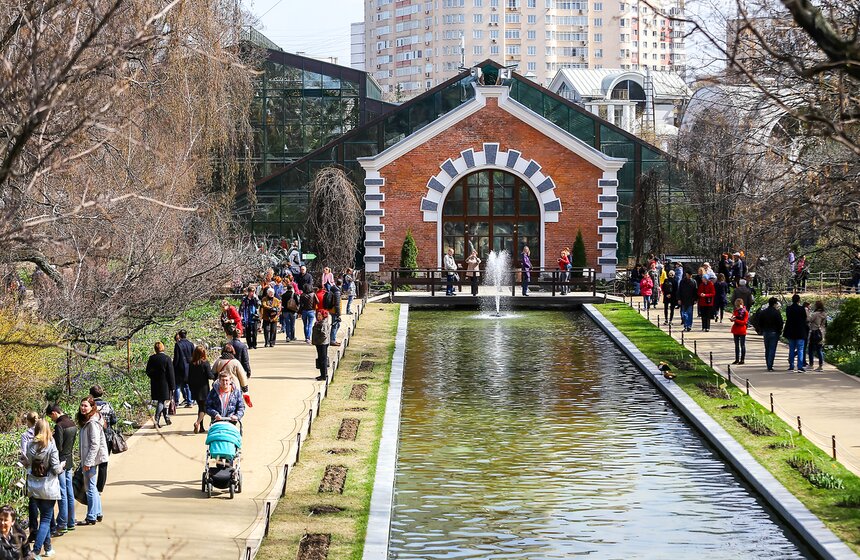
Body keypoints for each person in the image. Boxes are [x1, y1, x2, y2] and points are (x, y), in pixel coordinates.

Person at [22, 419, 63, 559]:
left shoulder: (30, 445)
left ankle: (48, 548)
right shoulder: (51, 446)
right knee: (46, 519)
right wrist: (62, 466)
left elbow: (28, 463)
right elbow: (56, 468)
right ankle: (35, 551)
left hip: (34, 486)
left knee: (46, 516)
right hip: (48, 486)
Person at [45, 404, 76, 536]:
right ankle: (71, 521)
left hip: (61, 462)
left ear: (54, 413)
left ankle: (62, 523)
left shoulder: (59, 426)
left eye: (50, 416)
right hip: (69, 460)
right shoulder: (72, 422)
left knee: (62, 492)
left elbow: (58, 447)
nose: (51, 419)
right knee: (69, 491)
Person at [77, 396, 108, 526]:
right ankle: (98, 512)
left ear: (92, 407)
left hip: (92, 460)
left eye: (86, 406)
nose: (83, 408)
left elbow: (95, 444)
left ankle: (91, 516)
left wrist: (88, 462)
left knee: (89, 488)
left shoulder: (92, 423)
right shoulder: (90, 420)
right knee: (92, 487)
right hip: (92, 459)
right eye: (82, 405)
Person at [89, 385, 116, 494]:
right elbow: (114, 420)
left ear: (91, 394)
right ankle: (100, 488)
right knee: (103, 463)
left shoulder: (90, 405)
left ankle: (90, 485)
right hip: (107, 436)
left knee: (92, 461)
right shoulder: (108, 405)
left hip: (92, 436)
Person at [19, 412, 39, 543]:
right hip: (44, 471)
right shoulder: (44, 433)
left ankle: (33, 530)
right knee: (45, 501)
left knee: (32, 501)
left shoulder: (25, 436)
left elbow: (24, 454)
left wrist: (25, 464)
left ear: (27, 421)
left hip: (31, 470)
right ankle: (50, 527)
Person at [145, 341, 175, 428]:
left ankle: (166, 418)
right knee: (162, 401)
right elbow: (171, 373)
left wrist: (153, 377)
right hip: (165, 383)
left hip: (155, 382)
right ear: (162, 348)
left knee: (162, 400)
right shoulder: (167, 358)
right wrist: (172, 385)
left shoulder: (152, 358)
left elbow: (148, 371)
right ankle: (156, 420)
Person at [188, 345, 215, 434]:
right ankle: (197, 423)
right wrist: (216, 375)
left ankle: (201, 427)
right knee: (204, 408)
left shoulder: (191, 363)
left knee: (200, 407)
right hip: (203, 388)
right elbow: (210, 376)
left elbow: (189, 377)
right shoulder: (205, 363)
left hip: (195, 388)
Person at [758, 297, 784, 371]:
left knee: (767, 348)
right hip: (774, 332)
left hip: (766, 331)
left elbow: (760, 322)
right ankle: (770, 365)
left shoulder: (764, 312)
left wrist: (761, 329)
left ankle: (768, 364)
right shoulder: (776, 312)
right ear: (774, 304)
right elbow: (780, 323)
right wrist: (780, 330)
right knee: (772, 349)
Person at [783, 293, 807, 372]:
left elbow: (788, 317)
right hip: (800, 331)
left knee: (791, 349)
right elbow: (804, 318)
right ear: (799, 300)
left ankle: (791, 365)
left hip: (791, 330)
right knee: (800, 349)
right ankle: (800, 366)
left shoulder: (788, 308)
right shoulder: (801, 309)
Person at [172, 330, 194, 407]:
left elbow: (176, 358)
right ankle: (189, 402)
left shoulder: (178, 345)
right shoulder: (191, 344)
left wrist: (173, 367)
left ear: (180, 336)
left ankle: (176, 402)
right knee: (188, 386)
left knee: (177, 385)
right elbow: (193, 356)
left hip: (180, 367)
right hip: (189, 367)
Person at [312, 309, 331, 382]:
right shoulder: (318, 323)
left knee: (323, 359)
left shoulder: (323, 324)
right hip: (319, 343)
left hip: (322, 344)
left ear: (323, 316)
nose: (318, 316)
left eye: (320, 315)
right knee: (320, 358)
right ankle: (322, 374)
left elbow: (324, 335)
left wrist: (318, 340)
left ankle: (324, 375)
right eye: (317, 315)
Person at [808, 301, 827, 371]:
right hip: (821, 332)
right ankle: (820, 365)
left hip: (814, 331)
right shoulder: (824, 314)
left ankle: (811, 364)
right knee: (819, 349)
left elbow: (809, 320)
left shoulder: (815, 314)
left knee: (811, 349)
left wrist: (807, 313)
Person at [729, 298, 750, 364]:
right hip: (736, 329)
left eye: (738, 306)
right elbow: (733, 316)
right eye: (736, 306)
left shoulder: (745, 312)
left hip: (742, 329)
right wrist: (732, 319)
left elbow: (744, 322)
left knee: (742, 345)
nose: (737, 307)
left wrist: (736, 320)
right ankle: (737, 359)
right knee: (736, 345)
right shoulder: (736, 311)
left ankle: (742, 359)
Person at [329, 280, 343, 347]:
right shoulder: (337, 292)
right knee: (335, 325)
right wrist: (338, 313)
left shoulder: (333, 289)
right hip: (335, 311)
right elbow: (337, 304)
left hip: (332, 310)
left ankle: (332, 338)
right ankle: (332, 340)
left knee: (337, 325)